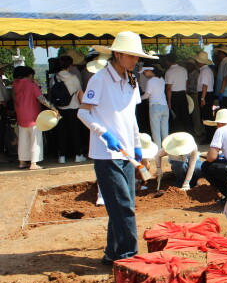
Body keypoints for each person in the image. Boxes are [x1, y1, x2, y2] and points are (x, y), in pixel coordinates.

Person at [77, 31, 158, 264]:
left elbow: (131, 117)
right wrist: (104, 133)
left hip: (127, 153)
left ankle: (113, 253)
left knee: (123, 205)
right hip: (106, 153)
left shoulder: (131, 80)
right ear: (118, 54)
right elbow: (83, 112)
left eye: (137, 56)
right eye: (130, 56)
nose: (135, 60)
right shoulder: (100, 79)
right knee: (122, 207)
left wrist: (137, 145)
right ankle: (128, 257)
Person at [13, 66, 59, 170]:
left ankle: (22, 162)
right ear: (30, 75)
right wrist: (53, 108)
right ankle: (33, 163)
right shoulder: (32, 85)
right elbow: (41, 99)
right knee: (35, 139)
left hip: (20, 115)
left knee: (23, 139)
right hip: (33, 116)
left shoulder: (15, 85)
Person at [55, 55, 85, 163]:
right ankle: (78, 155)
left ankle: (62, 156)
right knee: (75, 132)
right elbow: (79, 93)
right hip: (73, 107)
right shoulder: (73, 78)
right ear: (70, 66)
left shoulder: (54, 78)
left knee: (61, 133)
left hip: (59, 109)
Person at [140, 65, 169, 148]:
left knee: (156, 132)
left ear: (149, 71)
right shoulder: (161, 79)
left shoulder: (150, 81)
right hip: (164, 105)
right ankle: (167, 149)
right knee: (165, 130)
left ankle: (158, 150)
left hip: (155, 106)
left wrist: (137, 98)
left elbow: (146, 95)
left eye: (144, 72)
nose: (144, 74)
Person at [164, 53, 191, 134]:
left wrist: (169, 101)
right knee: (185, 116)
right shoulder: (183, 69)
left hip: (174, 96)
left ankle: (177, 134)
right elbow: (186, 83)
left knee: (175, 117)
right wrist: (186, 93)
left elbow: (169, 88)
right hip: (183, 94)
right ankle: (188, 134)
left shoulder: (169, 72)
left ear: (168, 61)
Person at [194, 51, 216, 142]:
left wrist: (202, 98)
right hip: (207, 94)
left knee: (206, 116)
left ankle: (209, 136)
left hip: (205, 94)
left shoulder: (204, 71)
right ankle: (210, 135)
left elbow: (205, 85)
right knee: (207, 115)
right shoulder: (207, 70)